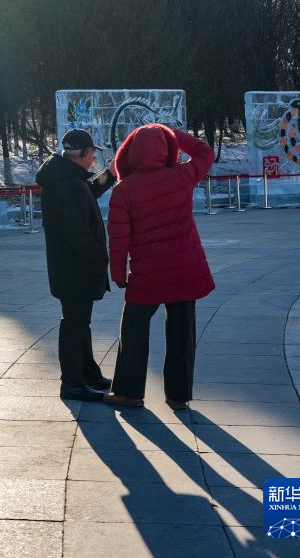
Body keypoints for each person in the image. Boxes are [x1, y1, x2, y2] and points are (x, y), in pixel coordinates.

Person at [103, 124, 215, 410]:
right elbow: (204, 152)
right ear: (166, 150)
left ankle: (128, 392)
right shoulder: (182, 176)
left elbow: (119, 239)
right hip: (184, 269)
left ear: (130, 152)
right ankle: (178, 396)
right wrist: (173, 134)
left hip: (147, 273)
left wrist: (118, 274)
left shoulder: (124, 190)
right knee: (182, 333)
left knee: (133, 329)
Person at [36, 129, 117, 402]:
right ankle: (72, 383)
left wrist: (110, 175)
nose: (93, 158)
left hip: (68, 267)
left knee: (80, 323)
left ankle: (88, 374)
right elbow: (77, 231)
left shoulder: (65, 177)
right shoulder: (68, 183)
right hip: (75, 268)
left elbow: (88, 192)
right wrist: (100, 256)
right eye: (92, 153)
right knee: (74, 324)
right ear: (83, 153)